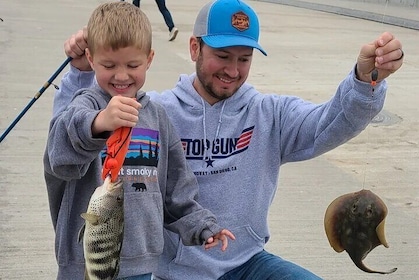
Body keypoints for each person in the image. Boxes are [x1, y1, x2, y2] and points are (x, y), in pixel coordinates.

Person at [52, 0, 404, 279]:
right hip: (171, 273)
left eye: (244, 59)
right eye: (221, 56)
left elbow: (332, 123)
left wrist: (365, 79)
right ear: (194, 48)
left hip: (247, 263)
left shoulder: (269, 113)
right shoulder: (152, 112)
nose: (232, 70)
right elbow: (68, 139)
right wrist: (80, 74)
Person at [43, 2, 235, 280]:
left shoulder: (156, 116)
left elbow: (176, 189)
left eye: (133, 65)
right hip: (83, 264)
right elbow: (58, 155)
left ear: (149, 59)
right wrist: (99, 123)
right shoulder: (84, 104)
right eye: (109, 65)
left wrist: (203, 226)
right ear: (91, 58)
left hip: (143, 265)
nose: (121, 76)